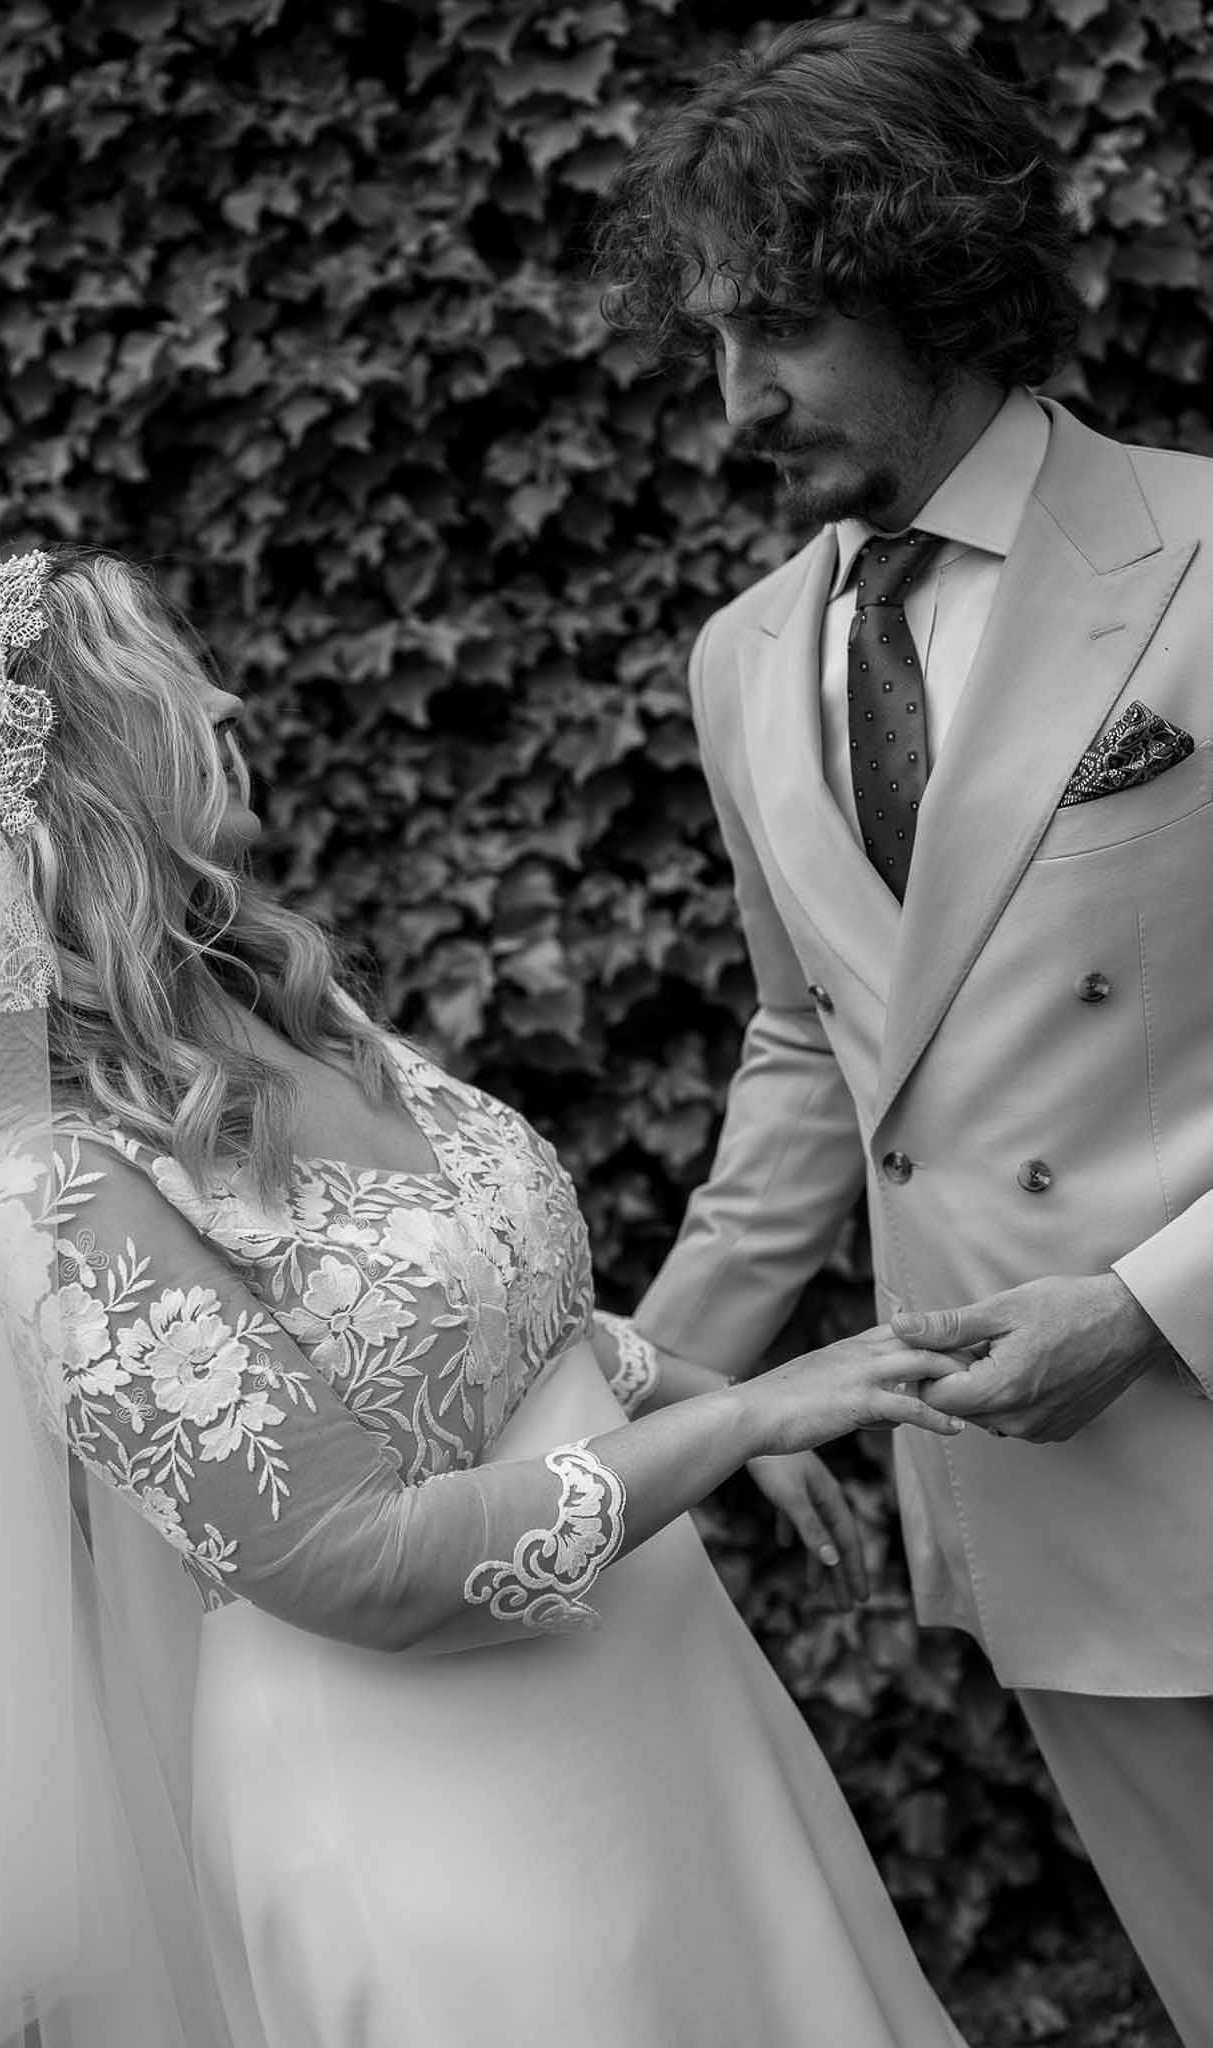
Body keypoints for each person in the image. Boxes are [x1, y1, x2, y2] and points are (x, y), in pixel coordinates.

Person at [0, 545, 970, 2048]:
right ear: (77, 778)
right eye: (163, 677)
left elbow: (475, 1327)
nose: (230, 691)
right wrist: (753, 1411)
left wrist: (686, 1396)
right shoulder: (55, 1189)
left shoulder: (282, 1006)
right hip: (445, 1814)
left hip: (662, 1705)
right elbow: (352, 1558)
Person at [594, 17, 1213, 2048]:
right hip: (1038, 1492)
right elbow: (813, 1045)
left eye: (778, 329)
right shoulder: (741, 655)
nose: (731, 401)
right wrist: (647, 1391)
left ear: (935, 289)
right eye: (708, 337)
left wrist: (1143, 1298)